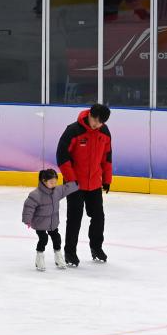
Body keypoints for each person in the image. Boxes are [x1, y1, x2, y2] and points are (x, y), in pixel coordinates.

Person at [56, 103, 113, 266]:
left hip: (94, 182)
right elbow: (62, 157)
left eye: (100, 123)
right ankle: (70, 252)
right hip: (74, 182)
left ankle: (96, 247)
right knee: (75, 217)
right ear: (90, 115)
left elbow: (107, 157)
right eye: (95, 120)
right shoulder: (73, 130)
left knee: (98, 216)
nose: (96, 125)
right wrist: (71, 179)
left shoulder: (105, 132)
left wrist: (107, 179)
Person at [21, 168, 78, 271]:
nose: (54, 184)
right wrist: (27, 219)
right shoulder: (36, 194)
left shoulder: (57, 191)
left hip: (52, 222)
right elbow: (28, 207)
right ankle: (39, 259)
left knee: (57, 238)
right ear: (44, 181)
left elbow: (66, 188)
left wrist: (77, 183)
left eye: (55, 182)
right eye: (51, 182)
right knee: (43, 239)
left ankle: (58, 257)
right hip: (40, 223)